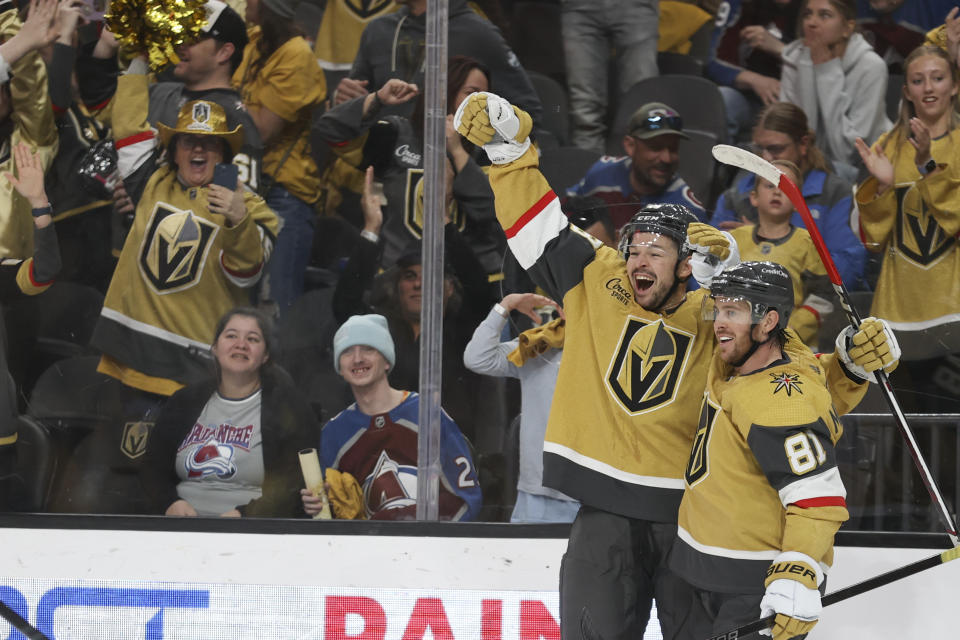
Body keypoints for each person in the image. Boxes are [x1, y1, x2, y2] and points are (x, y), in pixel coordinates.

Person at [454, 90, 896, 640]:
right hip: (602, 514)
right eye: (633, 247)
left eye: (655, 251)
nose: (638, 258)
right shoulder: (598, 275)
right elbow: (537, 225)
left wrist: (850, 367)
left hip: (687, 520)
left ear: (687, 263)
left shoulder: (718, 310)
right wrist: (510, 152)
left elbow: (787, 380)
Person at [667, 261, 898, 640]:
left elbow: (817, 499)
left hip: (752, 585)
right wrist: (851, 364)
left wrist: (798, 569)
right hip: (700, 570)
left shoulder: (782, 403)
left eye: (733, 312)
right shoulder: (770, 353)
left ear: (768, 321)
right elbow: (818, 381)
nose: (719, 323)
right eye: (718, 310)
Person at [91, 53, 280, 416]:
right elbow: (129, 126)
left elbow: (248, 272)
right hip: (135, 356)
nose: (197, 148)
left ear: (224, 154)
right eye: (188, 140)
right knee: (133, 466)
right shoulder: (150, 181)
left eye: (209, 143)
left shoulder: (253, 207)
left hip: (197, 370)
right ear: (173, 151)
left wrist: (238, 221)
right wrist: (138, 61)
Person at [854, 44, 960, 412]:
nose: (928, 87)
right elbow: (871, 237)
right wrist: (882, 186)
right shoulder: (888, 146)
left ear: (954, 85)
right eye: (918, 80)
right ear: (906, 91)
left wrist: (927, 165)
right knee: (904, 438)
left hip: (953, 314)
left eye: (938, 77)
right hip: (896, 313)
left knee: (949, 435)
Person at [301, 314, 482, 521]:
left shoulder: (426, 414)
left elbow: (467, 499)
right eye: (348, 351)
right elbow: (328, 521)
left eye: (368, 348)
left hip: (428, 547)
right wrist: (317, 507)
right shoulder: (333, 434)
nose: (358, 358)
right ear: (340, 368)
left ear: (387, 361)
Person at [142, 307, 318, 518]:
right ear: (215, 347)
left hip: (250, 532)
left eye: (252, 339)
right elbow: (152, 469)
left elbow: (291, 484)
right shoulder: (184, 401)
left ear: (265, 355)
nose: (240, 345)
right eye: (231, 336)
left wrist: (245, 515)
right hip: (181, 527)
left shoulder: (288, 407)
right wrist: (169, 503)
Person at [83, 1, 263, 195]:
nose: (179, 44)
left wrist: (146, 198)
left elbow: (230, 208)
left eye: (192, 37)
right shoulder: (160, 92)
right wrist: (108, 47)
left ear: (224, 52)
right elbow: (103, 105)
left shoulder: (233, 119)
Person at [233, 0, 327, 316]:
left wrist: (226, 105)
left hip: (283, 194)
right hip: (247, 187)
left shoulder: (297, 55)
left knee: (275, 312)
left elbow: (259, 130)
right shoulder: (255, 40)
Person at [711, 101, 867, 288]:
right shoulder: (737, 195)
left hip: (813, 307)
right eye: (760, 149)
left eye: (776, 149)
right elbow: (707, 262)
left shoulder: (835, 194)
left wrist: (764, 242)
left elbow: (847, 269)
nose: (766, 158)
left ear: (803, 144)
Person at [333, 0, 542, 129]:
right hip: (379, 171)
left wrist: (472, 156)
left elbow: (528, 111)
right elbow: (351, 101)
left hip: (448, 181)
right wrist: (342, 99)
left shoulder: (478, 34)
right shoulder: (378, 30)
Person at [463, 292, 579, 523]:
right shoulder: (539, 345)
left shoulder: (615, 350)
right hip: (535, 498)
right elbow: (477, 358)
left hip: (596, 497)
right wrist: (506, 306)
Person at [729, 160, 834, 346]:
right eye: (769, 185)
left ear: (798, 202)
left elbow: (823, 296)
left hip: (792, 345)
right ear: (754, 197)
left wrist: (790, 328)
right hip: (741, 341)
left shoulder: (807, 242)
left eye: (785, 187)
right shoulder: (735, 240)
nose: (777, 191)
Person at [781, 0, 890, 178]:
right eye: (808, 14)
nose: (811, 22)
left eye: (824, 15)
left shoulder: (871, 67)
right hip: (806, 163)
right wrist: (807, 68)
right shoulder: (795, 60)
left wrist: (827, 71)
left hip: (865, 168)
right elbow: (792, 132)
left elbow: (848, 154)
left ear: (848, 27)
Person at [566, 101, 708, 230]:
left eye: (673, 149)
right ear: (630, 146)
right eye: (656, 147)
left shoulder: (687, 210)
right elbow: (564, 213)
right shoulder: (602, 172)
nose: (667, 159)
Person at [560, 0, 659, 153]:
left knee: (641, 106)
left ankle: (638, 174)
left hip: (636, 6)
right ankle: (589, 173)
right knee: (584, 111)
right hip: (578, 6)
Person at [0, 0, 58, 259]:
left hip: (17, 292)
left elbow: (31, 86)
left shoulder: (26, 146)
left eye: (4, 85)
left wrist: (5, 14)